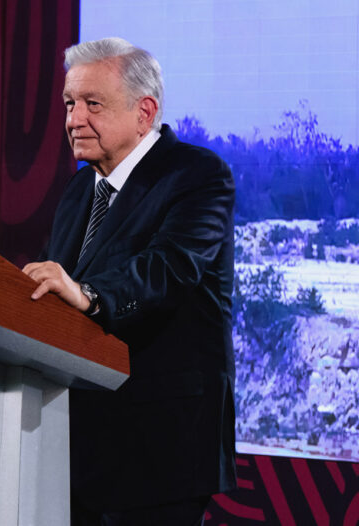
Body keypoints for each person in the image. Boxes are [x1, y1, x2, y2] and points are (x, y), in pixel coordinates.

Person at [22, 37, 236, 526]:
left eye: (92, 104)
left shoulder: (197, 176)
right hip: (78, 444)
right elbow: (48, 277)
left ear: (145, 112)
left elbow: (169, 270)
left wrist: (88, 295)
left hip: (161, 447)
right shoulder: (81, 189)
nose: (74, 119)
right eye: (69, 104)